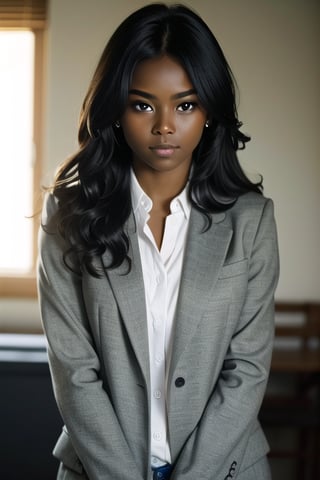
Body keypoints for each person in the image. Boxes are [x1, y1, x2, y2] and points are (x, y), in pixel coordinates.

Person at [37, 3, 279, 480]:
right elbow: (74, 372)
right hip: (99, 469)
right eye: (143, 104)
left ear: (209, 110)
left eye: (185, 105)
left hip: (225, 470)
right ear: (116, 108)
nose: (165, 125)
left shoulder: (251, 222)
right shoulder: (68, 217)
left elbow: (247, 370)